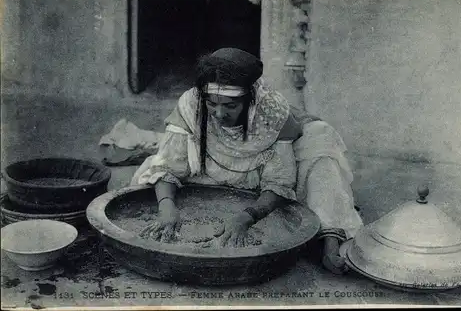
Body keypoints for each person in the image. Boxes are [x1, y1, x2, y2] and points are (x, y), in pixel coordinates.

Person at [131, 47, 363, 274]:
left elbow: (279, 181)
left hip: (265, 162)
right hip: (215, 165)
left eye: (230, 106)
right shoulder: (191, 104)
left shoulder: (271, 112)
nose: (220, 114)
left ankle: (331, 244)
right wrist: (166, 207)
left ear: (248, 100)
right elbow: (167, 164)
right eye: (212, 104)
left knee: (320, 150)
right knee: (154, 174)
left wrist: (248, 216)